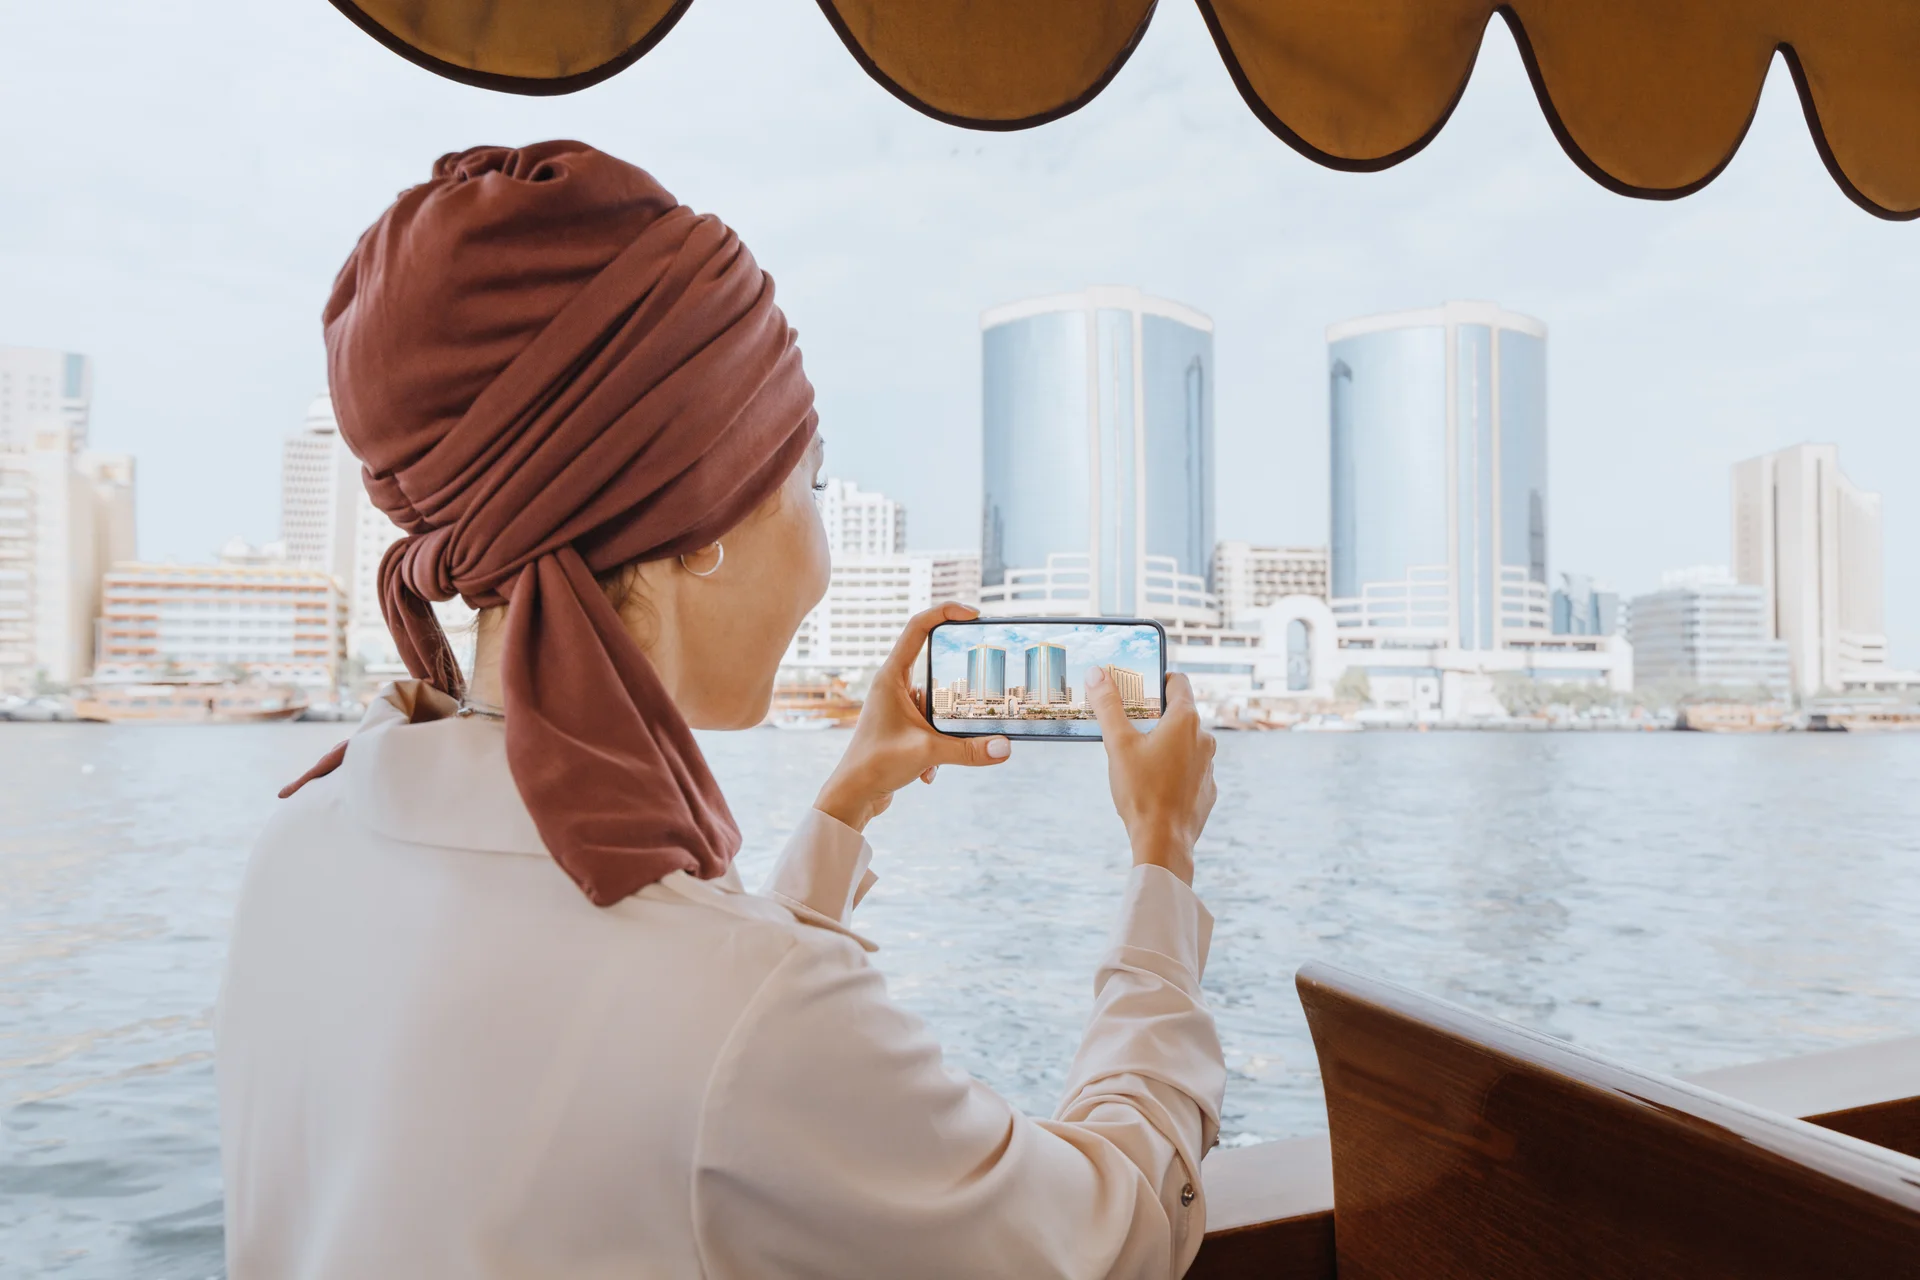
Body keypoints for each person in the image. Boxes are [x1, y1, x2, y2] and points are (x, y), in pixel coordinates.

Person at [216, 141, 1225, 1279]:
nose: (823, 557)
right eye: (810, 480)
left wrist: (850, 798)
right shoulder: (739, 1006)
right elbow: (1112, 1235)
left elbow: (697, 1067)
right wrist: (1163, 858)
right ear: (705, 520)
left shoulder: (299, 844)